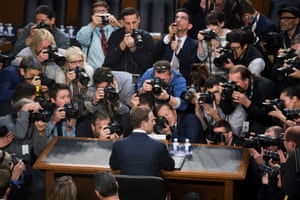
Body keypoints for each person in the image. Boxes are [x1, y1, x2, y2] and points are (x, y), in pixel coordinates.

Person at [109, 106, 175, 177]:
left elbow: (114, 166)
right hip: (152, 187)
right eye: (152, 120)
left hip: (127, 187)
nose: (154, 123)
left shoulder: (118, 145)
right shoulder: (159, 146)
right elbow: (170, 166)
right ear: (144, 123)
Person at [103, 7, 154, 75]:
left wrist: (134, 50)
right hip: (119, 78)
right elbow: (108, 62)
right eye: (128, 23)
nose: (132, 27)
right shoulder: (115, 35)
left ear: (139, 20)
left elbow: (149, 65)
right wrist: (121, 46)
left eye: (134, 22)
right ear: (122, 22)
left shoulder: (146, 37)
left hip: (139, 78)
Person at [153, 8, 199, 81]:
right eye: (177, 17)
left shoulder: (194, 44)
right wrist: (169, 36)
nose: (178, 20)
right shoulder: (166, 40)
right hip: (163, 79)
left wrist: (178, 51)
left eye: (183, 18)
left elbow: (192, 66)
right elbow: (154, 56)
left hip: (184, 80)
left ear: (189, 26)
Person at [85, 67, 134, 136]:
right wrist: (95, 102)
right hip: (106, 117)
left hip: (124, 117)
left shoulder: (128, 83)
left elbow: (130, 112)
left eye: (106, 88)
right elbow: (89, 107)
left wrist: (117, 104)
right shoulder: (94, 86)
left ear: (113, 81)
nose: (106, 92)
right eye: (102, 89)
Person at [228, 65, 277, 133]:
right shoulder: (239, 88)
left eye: (235, 82)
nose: (233, 85)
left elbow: (266, 117)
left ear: (246, 80)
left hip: (269, 126)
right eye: (231, 82)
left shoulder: (263, 86)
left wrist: (247, 103)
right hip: (252, 122)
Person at [76, 0, 121, 69]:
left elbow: (125, 39)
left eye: (103, 11)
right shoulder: (86, 30)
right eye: (97, 11)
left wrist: (117, 25)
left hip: (113, 71)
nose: (101, 14)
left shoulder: (114, 28)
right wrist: (93, 24)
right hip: (94, 72)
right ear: (93, 15)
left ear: (108, 13)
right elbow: (81, 40)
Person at [60, 46, 94, 116]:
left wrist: (84, 88)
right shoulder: (61, 73)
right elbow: (59, 97)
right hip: (68, 109)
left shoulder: (89, 70)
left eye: (80, 61)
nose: (78, 65)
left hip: (87, 109)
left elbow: (93, 96)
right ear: (67, 63)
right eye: (74, 62)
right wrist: (67, 82)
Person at [197, 10, 231, 76]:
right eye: (208, 25)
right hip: (208, 76)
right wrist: (200, 42)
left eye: (214, 25)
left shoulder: (230, 36)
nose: (210, 28)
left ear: (222, 24)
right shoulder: (206, 34)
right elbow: (201, 58)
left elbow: (229, 59)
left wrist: (219, 46)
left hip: (224, 76)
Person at [278, 126, 300, 199]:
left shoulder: (294, 157)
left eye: (284, 140)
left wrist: (284, 165)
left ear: (292, 144)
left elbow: (288, 189)